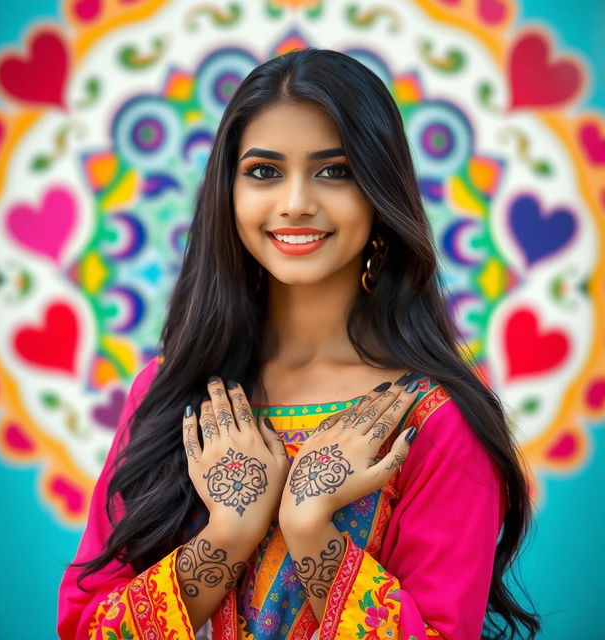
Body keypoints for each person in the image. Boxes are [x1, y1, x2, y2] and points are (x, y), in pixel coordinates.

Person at [57, 48, 541, 640]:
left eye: (334, 171)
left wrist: (313, 529)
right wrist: (229, 532)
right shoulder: (168, 391)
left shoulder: (434, 420)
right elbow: (85, 626)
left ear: (379, 193)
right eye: (264, 171)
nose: (295, 202)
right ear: (227, 193)